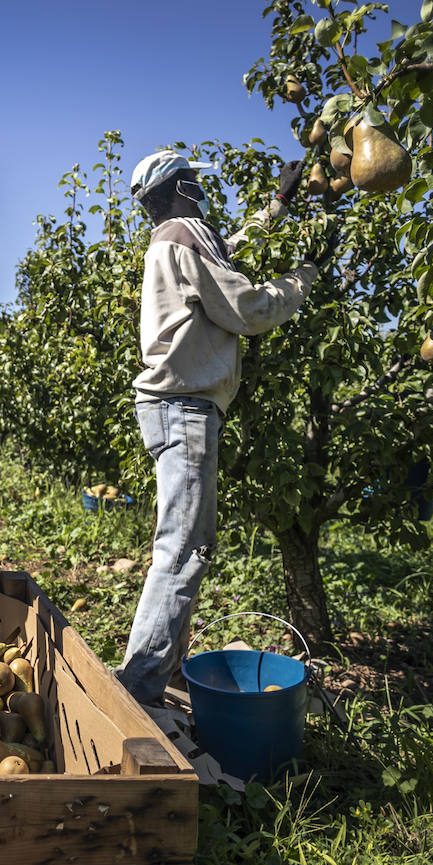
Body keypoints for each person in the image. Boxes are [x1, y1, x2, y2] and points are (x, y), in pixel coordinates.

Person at [115, 149, 333, 706]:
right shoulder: (185, 232)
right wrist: (307, 275)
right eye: (195, 183)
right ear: (182, 187)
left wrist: (277, 206)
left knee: (181, 543)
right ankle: (138, 689)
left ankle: (160, 674)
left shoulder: (177, 240)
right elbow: (248, 307)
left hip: (174, 407)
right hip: (185, 408)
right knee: (185, 548)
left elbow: (231, 254)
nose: (204, 194)